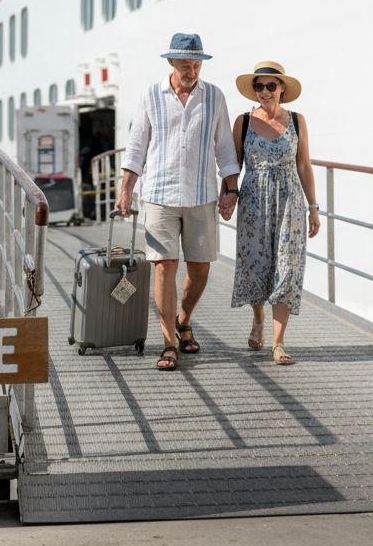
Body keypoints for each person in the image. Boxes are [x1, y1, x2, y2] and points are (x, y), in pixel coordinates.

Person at [116, 33, 240, 371]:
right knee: (164, 267)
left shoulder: (214, 96)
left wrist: (232, 189)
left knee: (200, 267)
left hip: (201, 195)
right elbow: (137, 145)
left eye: (197, 64)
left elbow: (225, 147)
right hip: (159, 195)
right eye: (185, 65)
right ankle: (169, 342)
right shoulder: (151, 95)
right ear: (171, 62)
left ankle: (184, 319)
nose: (192, 71)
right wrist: (126, 189)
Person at [229, 61, 320, 365]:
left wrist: (313, 207)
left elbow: (304, 165)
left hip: (290, 201)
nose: (265, 92)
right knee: (256, 265)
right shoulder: (242, 121)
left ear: (282, 88)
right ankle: (258, 319)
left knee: (287, 266)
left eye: (271, 86)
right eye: (259, 86)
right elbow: (233, 167)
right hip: (253, 200)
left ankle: (279, 343)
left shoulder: (297, 120)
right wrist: (227, 197)